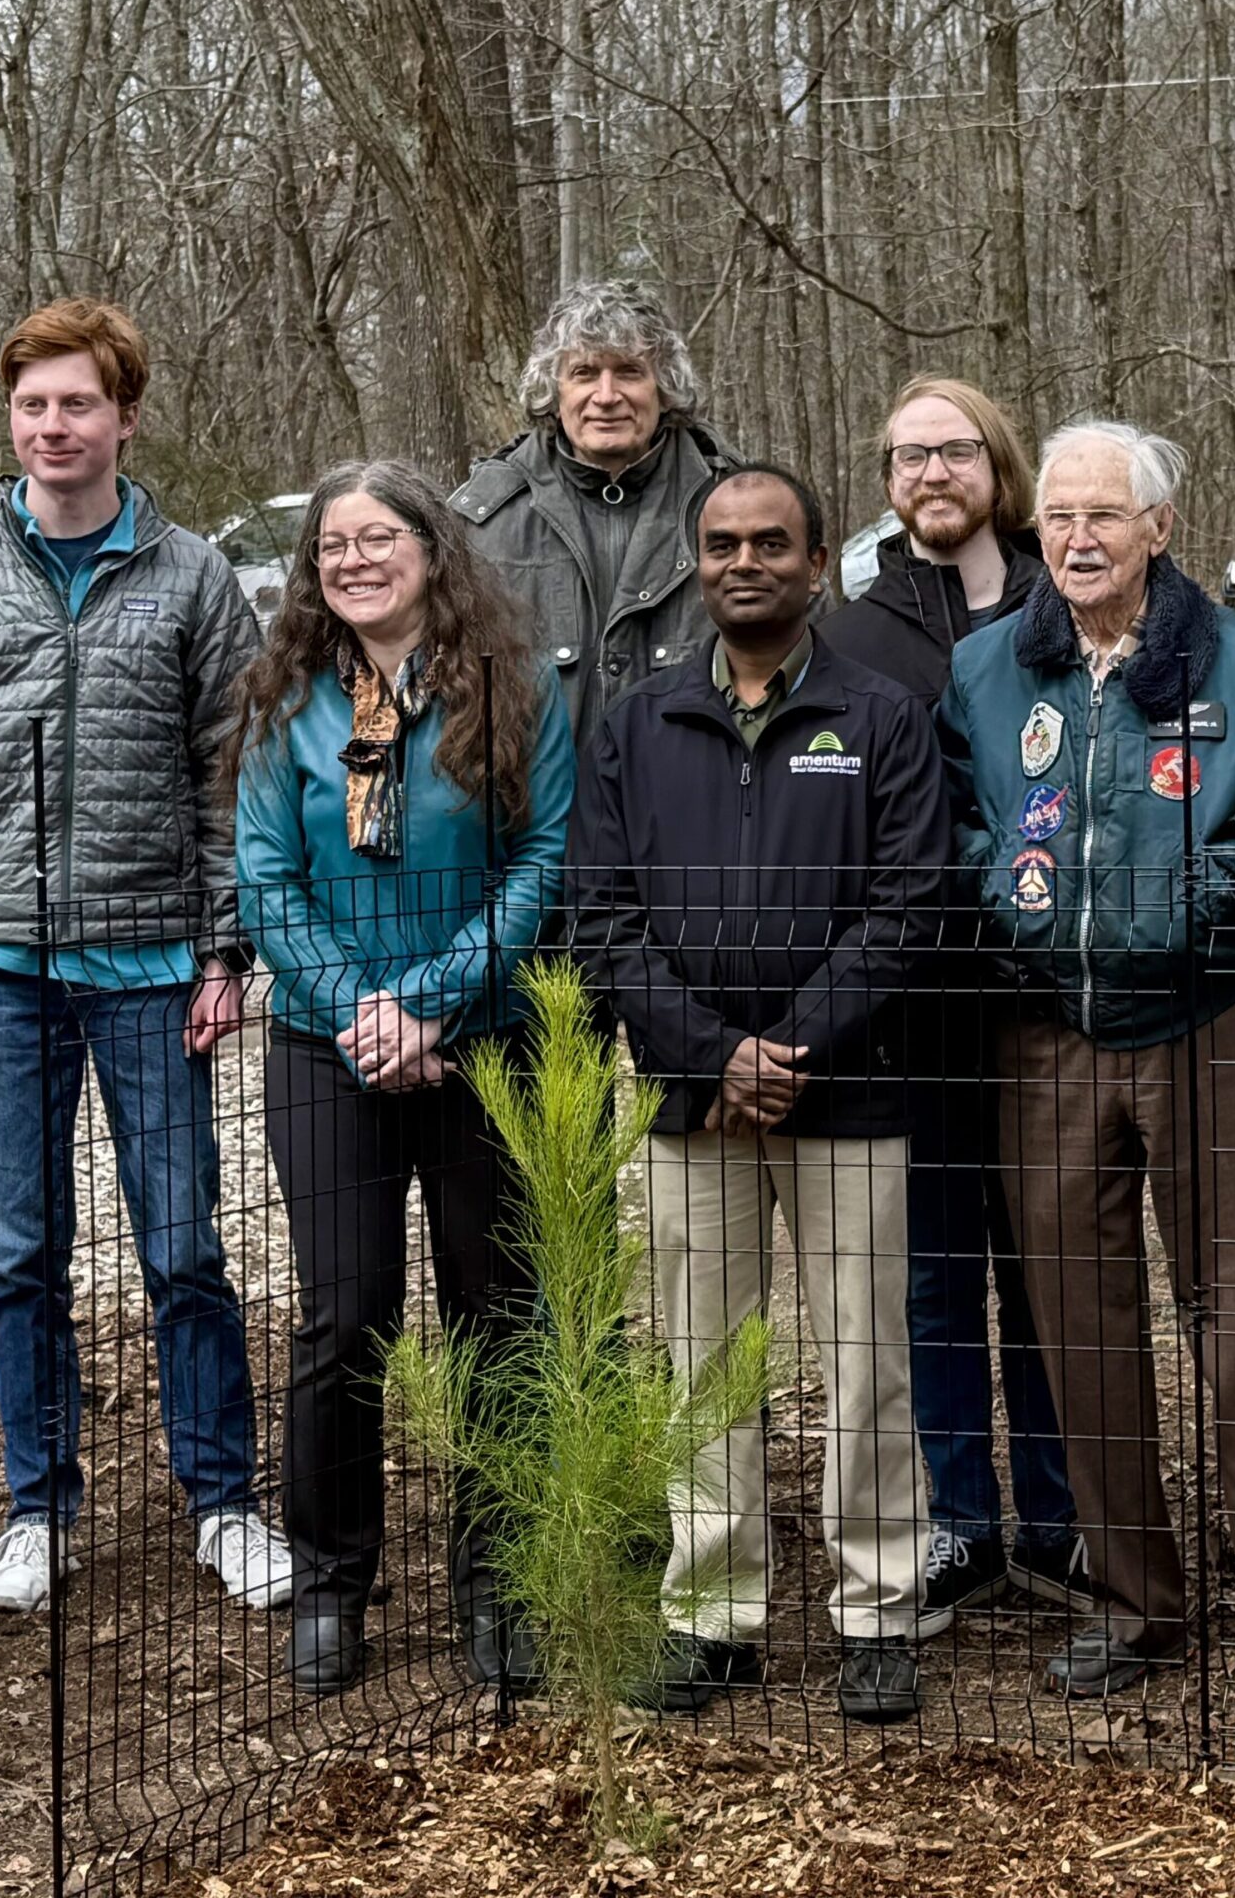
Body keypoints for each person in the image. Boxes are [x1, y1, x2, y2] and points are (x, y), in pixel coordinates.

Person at [0, 297, 287, 1615]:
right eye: (34, 405)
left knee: (183, 1249)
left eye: (79, 404)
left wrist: (228, 948)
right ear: (13, 419)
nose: (55, 426)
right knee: (19, 1256)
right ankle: (38, 1508)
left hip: (158, 972)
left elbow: (237, 775)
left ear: (125, 417)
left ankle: (223, 1502)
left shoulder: (193, 579)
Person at [939, 419, 1235, 1713]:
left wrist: (1196, 880)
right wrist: (1008, 894)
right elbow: (947, 832)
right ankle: (1135, 1605)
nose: (1077, 538)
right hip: (1048, 1033)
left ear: (1158, 529)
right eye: (1059, 517)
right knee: (1079, 1323)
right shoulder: (983, 673)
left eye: (1105, 516)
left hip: (1213, 1023)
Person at [574, 466, 946, 1727]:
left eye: (771, 543)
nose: (746, 562)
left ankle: (878, 1611)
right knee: (702, 1364)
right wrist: (706, 1053)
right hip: (690, 1104)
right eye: (723, 543)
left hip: (848, 1096)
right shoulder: (636, 721)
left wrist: (788, 1047)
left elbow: (910, 906)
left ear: (816, 558)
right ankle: (714, 1611)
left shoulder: (880, 714)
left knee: (864, 1365)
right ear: (697, 561)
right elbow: (603, 912)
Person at [227, 459, 572, 1696]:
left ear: (434, 552)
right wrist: (362, 1012)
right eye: (333, 548)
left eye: (379, 539)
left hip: (483, 1042)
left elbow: (542, 861)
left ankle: (501, 1583)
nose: (355, 561)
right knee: (344, 1321)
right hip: (329, 1048)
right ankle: (332, 1586)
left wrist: (427, 999)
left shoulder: (516, 687)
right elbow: (266, 883)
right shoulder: (280, 704)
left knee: (496, 1322)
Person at [822, 377, 1087, 1632]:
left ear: (998, 462)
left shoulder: (1068, 591)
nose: (932, 473)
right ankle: (958, 1521)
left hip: (1045, 1003)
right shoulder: (857, 631)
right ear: (886, 482)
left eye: (955, 451)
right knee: (930, 1274)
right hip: (914, 1006)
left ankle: (1061, 1516)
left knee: (1046, 1265)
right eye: (907, 456)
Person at [451, 279, 736, 758]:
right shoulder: (481, 523)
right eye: (584, 373)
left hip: (700, 818)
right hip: (535, 824)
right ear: (554, 389)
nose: (606, 395)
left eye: (629, 372)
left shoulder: (735, 507)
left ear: (664, 388)